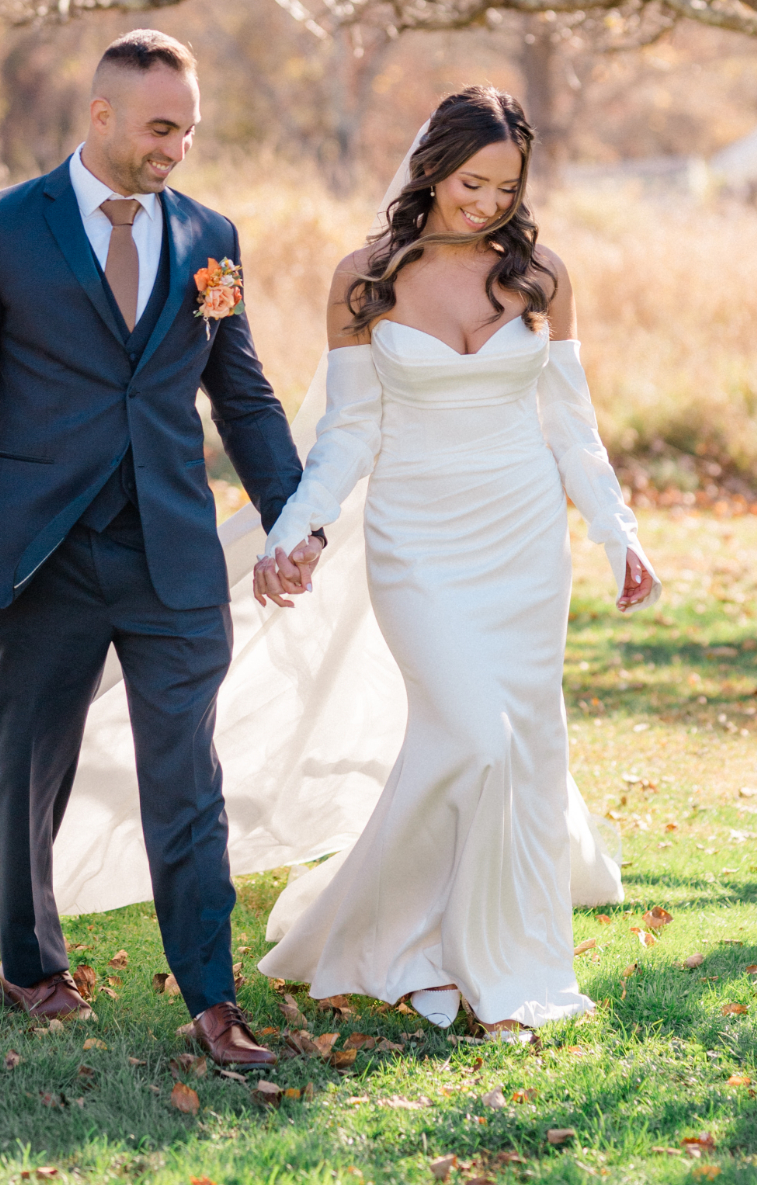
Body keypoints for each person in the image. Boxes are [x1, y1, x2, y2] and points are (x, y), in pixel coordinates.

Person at [0, 28, 301, 1068]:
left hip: (171, 552)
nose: (178, 146)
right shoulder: (1, 229)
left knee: (189, 777)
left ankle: (213, 1000)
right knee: (29, 765)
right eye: (161, 126)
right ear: (102, 116)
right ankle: (32, 966)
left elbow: (246, 397)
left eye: (190, 128)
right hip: (39, 554)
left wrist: (293, 517)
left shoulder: (211, 237)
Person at [252, 85, 658, 1038]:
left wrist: (617, 532)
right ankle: (397, 942)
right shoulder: (365, 279)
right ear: (431, 167)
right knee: (471, 737)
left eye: (506, 188)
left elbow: (572, 427)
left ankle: (490, 951)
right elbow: (348, 434)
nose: (486, 203)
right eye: (472, 182)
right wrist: (296, 530)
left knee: (518, 752)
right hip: (418, 541)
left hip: (523, 538)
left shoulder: (542, 276)